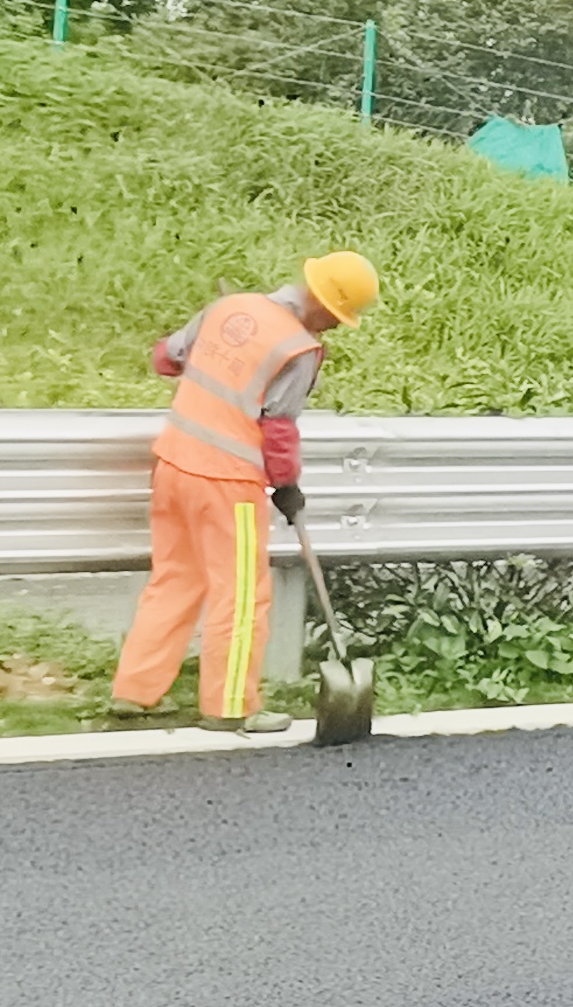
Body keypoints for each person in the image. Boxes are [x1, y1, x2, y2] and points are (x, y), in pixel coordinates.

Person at [113, 250, 376, 724]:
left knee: (175, 579)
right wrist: (287, 485)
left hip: (173, 464)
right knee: (240, 597)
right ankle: (231, 707)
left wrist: (225, 352)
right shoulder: (299, 350)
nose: (336, 326)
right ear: (322, 303)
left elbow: (165, 358)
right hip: (227, 482)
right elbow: (278, 428)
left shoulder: (230, 306)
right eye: (338, 316)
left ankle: (135, 691)